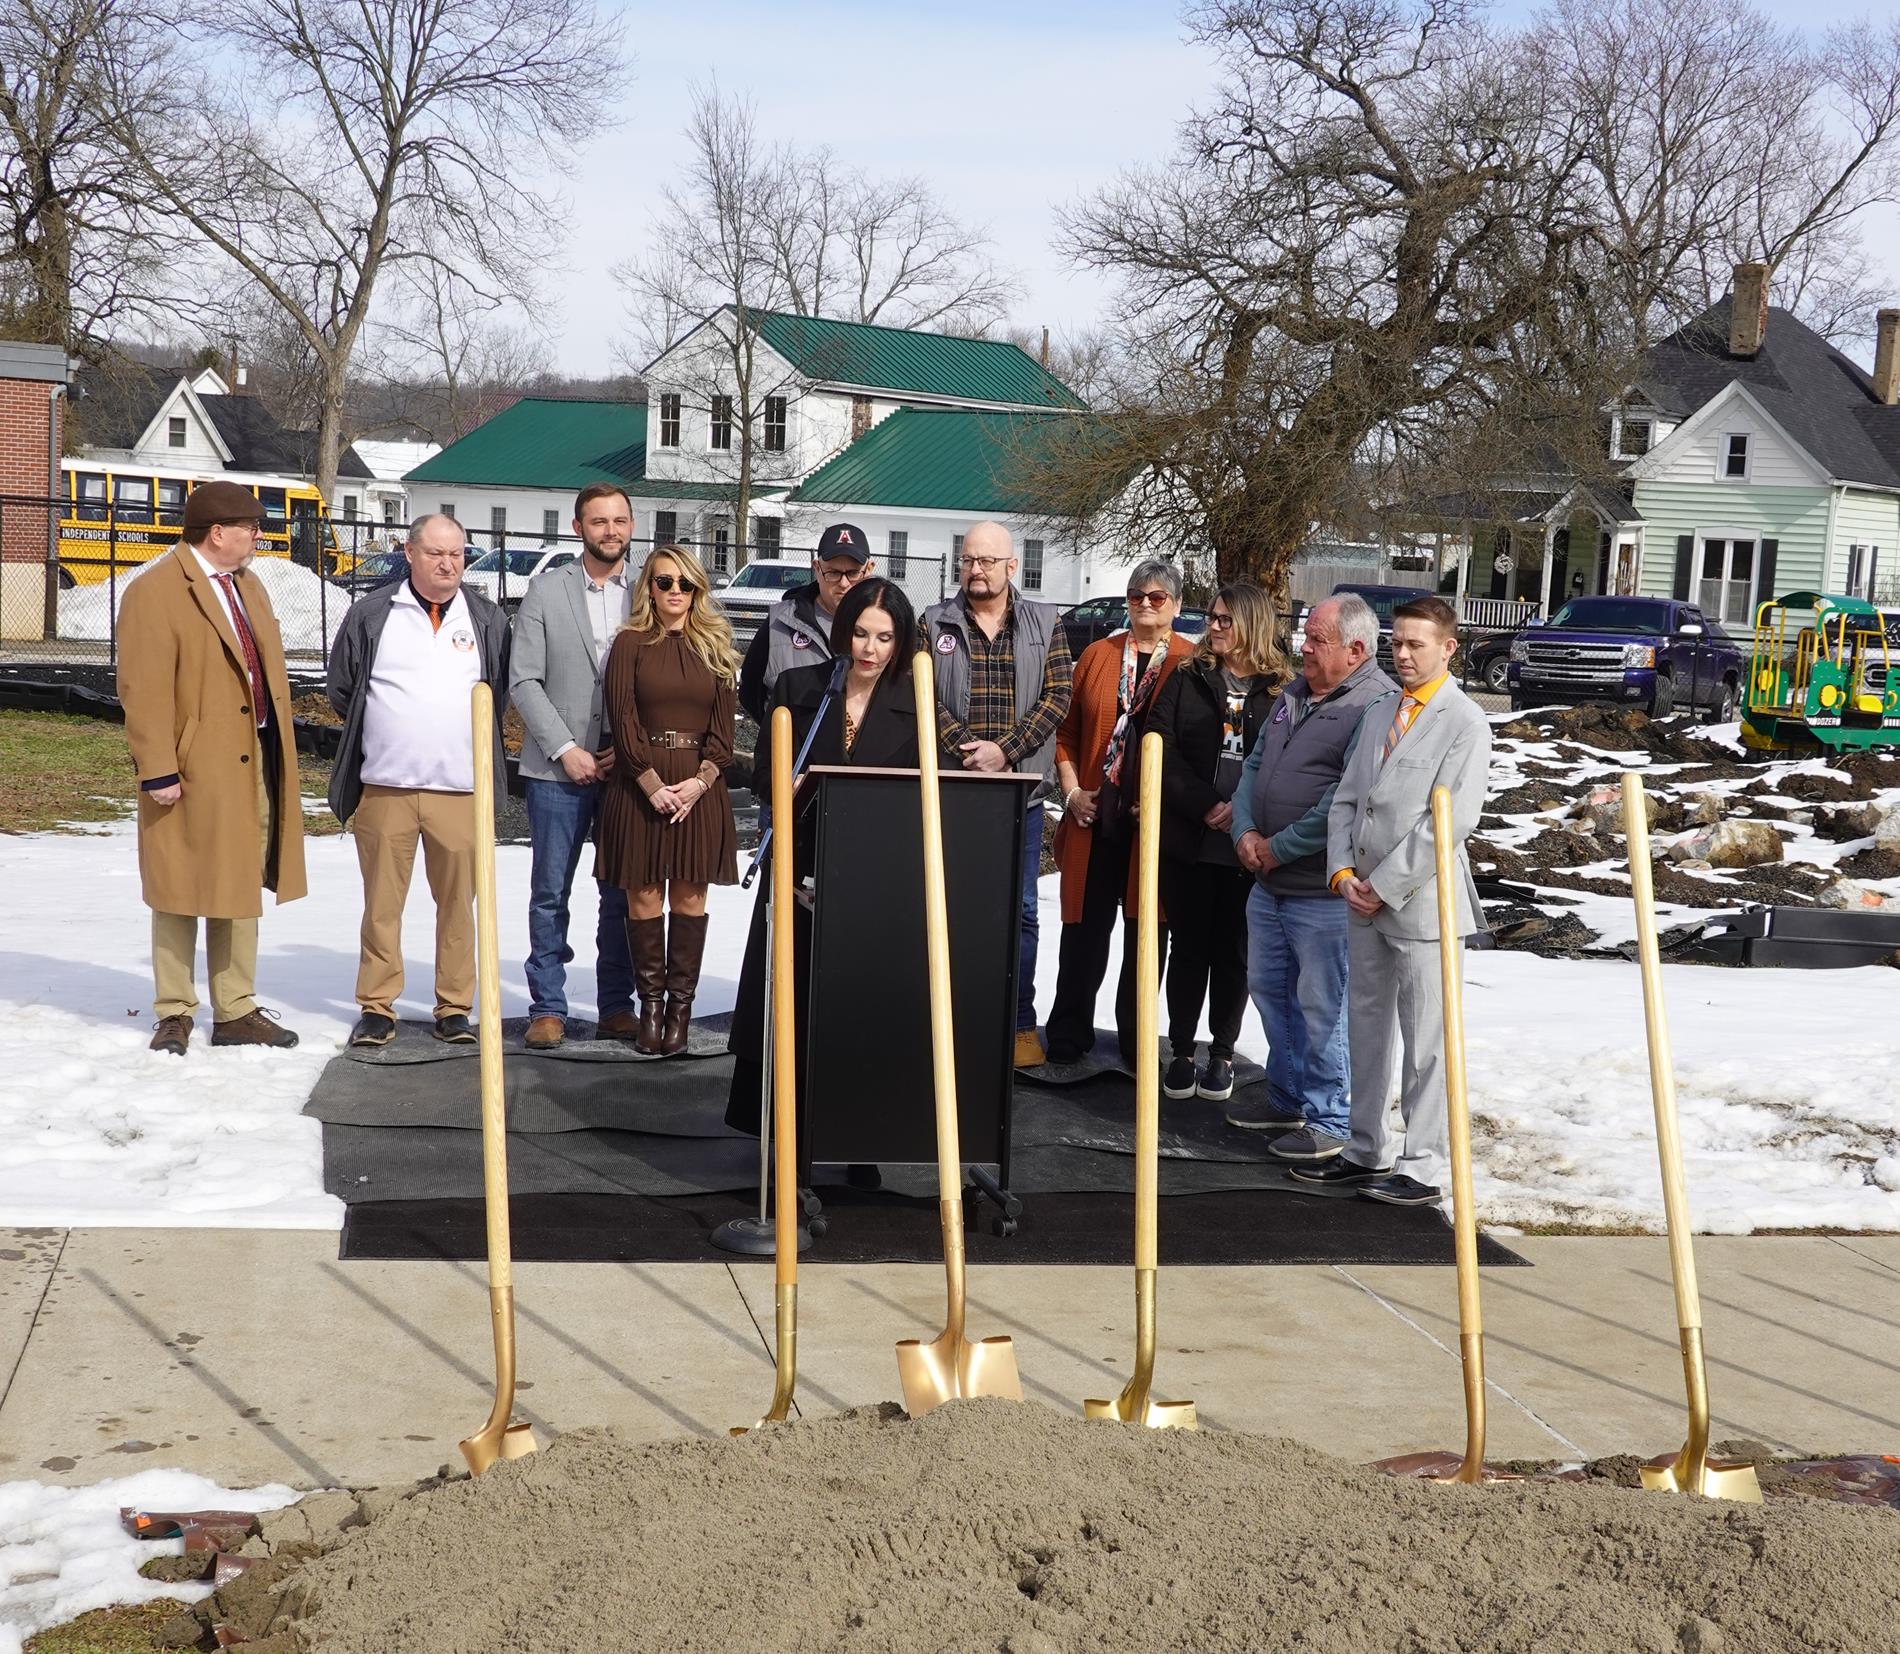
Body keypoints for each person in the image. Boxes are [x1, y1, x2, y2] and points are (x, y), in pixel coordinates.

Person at [1299, 595, 1492, 1207]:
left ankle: (1425, 1164)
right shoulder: (1382, 711)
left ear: (1448, 648)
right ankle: (1364, 1148)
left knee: (1426, 1040)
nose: (1403, 655)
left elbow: (1450, 823)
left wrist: (1381, 886)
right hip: (1360, 898)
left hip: (1422, 906)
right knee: (1368, 1028)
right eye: (1397, 643)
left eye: (1417, 645)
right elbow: (1348, 799)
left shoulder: (1464, 722)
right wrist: (1344, 874)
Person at [726, 580, 921, 1144]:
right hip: (801, 867)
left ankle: (856, 1135)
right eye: (861, 633)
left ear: (900, 641)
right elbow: (764, 775)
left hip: (871, 882)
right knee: (790, 1003)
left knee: (858, 1009)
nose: (870, 648)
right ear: (844, 631)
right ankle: (782, 1137)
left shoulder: (917, 700)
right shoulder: (799, 686)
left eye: (884, 637)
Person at [117, 480, 307, 1055]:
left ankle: (236, 1008)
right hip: (188, 764)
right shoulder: (156, 591)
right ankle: (174, 1009)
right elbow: (142, 689)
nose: (258, 535)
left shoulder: (248, 586)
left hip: (250, 756)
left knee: (238, 876)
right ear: (216, 532)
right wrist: (157, 769)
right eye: (250, 526)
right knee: (178, 883)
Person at [327, 513, 511, 1047]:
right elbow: (344, 689)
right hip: (387, 788)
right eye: (435, 553)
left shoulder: (485, 619)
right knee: (382, 905)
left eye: (456, 553)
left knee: (459, 905)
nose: (448, 563)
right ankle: (377, 1006)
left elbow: (497, 691)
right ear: (409, 554)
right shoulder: (372, 614)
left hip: (460, 791)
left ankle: (453, 1007)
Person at [1228, 594, 1393, 1149]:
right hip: (1268, 885)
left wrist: (1280, 847)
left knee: (1323, 1006)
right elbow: (1254, 765)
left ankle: (1329, 1117)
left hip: (1321, 895)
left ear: (1356, 648)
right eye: (1307, 635)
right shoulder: (1293, 695)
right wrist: (1245, 832)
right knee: (1271, 993)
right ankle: (1289, 1096)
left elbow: (1344, 800)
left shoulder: (1375, 706)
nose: (1304, 646)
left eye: (1317, 639)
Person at [923, 522, 1072, 1069]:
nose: (975, 569)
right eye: (967, 559)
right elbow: (919, 694)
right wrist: (966, 747)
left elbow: (1059, 696)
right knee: (950, 907)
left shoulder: (1045, 622)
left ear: (1012, 566)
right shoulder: (933, 622)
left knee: (1021, 912)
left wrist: (1005, 751)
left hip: (1020, 796)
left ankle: (1018, 1023)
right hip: (954, 789)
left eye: (987, 560)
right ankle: (951, 1019)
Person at [1044, 559, 1193, 1067]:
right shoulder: (1097, 655)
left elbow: (1197, 752)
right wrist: (1072, 792)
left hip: (1153, 826)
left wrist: (1161, 801)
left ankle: (1136, 1040)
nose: (1144, 604)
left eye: (1156, 597)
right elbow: (1064, 734)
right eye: (1135, 595)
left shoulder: (1192, 664)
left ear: (1174, 604)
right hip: (1094, 816)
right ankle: (1068, 1031)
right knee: (1083, 931)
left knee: (1146, 933)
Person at [509, 483, 639, 1049]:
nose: (610, 530)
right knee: (550, 891)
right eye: (598, 521)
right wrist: (567, 748)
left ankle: (616, 1004)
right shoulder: (545, 591)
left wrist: (631, 749)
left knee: (620, 890)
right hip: (557, 769)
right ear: (577, 527)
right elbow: (524, 680)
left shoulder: (653, 588)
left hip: (628, 769)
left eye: (619, 520)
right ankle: (548, 1006)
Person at [597, 544, 739, 1055]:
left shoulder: (716, 647)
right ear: (648, 589)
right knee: (642, 896)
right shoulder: (630, 643)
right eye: (663, 582)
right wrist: (651, 783)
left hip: (698, 789)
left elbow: (724, 738)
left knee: (690, 897)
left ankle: (681, 1011)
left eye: (684, 583)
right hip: (640, 785)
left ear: (697, 588)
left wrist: (699, 783)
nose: (674, 591)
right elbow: (623, 718)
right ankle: (649, 1011)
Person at [1147, 583, 1286, 1103]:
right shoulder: (1188, 677)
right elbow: (1159, 744)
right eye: (1213, 617)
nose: (1216, 626)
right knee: (1188, 948)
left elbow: (1281, 763)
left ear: (1251, 623)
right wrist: (1203, 803)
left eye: (1227, 619)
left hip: (1247, 843)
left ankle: (1221, 1055)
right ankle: (1182, 1051)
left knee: (1235, 951)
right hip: (1190, 837)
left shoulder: (1281, 690)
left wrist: (1242, 813)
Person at [736, 522, 876, 722]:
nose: (844, 583)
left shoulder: (886, 628)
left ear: (869, 569)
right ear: (817, 568)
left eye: (853, 573)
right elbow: (750, 693)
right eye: (833, 573)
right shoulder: (780, 623)